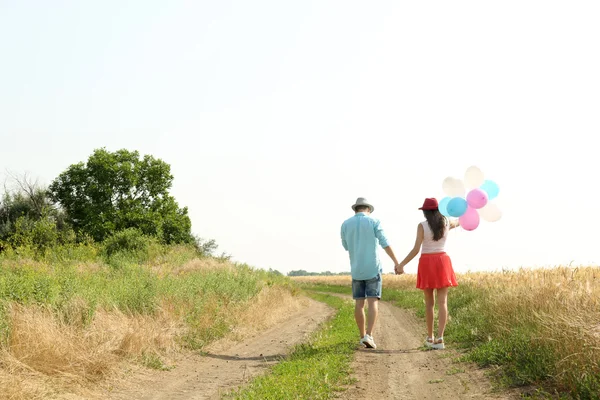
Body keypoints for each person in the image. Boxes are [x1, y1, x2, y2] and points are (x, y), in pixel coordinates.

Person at [395, 197, 459, 350]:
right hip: (443, 261)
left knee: (429, 303)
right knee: (443, 302)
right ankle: (440, 338)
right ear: (439, 210)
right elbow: (460, 221)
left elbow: (416, 249)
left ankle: (430, 337)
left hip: (427, 262)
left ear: (424, 212)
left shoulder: (422, 226)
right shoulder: (446, 222)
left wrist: (401, 265)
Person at [341, 197, 401, 349]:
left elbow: (346, 246)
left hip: (356, 270)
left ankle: (362, 336)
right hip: (373, 268)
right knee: (373, 301)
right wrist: (396, 262)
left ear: (356, 209)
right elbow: (385, 243)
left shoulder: (345, 224)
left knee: (359, 303)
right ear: (368, 209)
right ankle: (369, 334)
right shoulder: (374, 222)